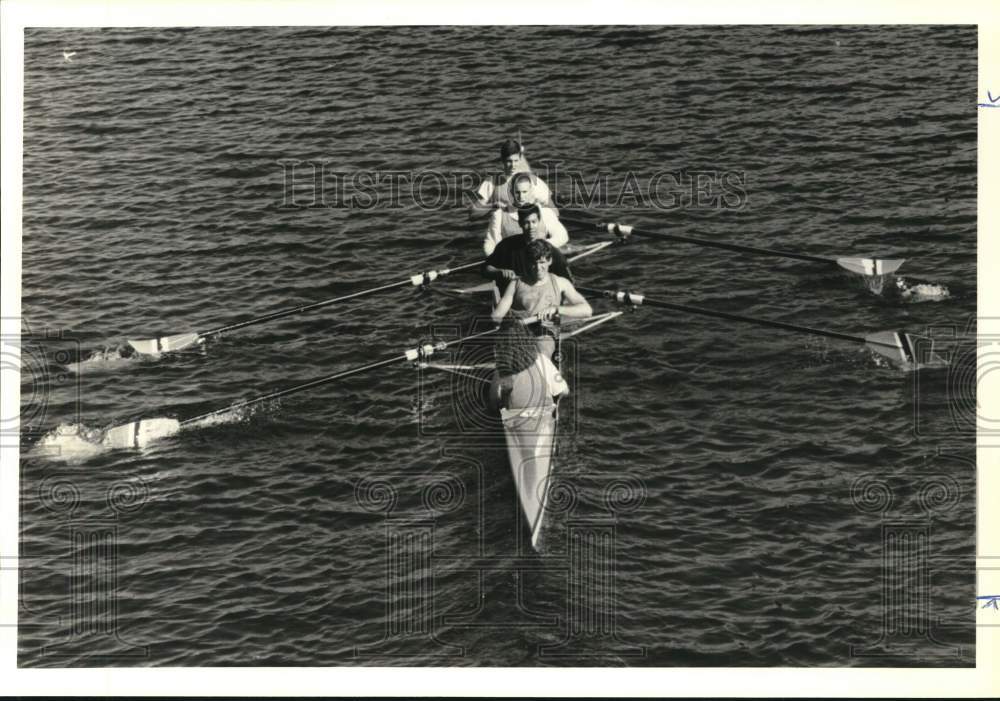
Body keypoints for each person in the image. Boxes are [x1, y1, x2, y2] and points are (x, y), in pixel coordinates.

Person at [491, 238, 592, 361]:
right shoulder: (515, 283)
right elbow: (496, 315)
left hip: (544, 334)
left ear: (549, 261)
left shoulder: (561, 283)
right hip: (519, 332)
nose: (538, 268)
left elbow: (587, 310)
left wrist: (557, 309)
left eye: (542, 262)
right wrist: (504, 322)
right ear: (528, 262)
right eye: (534, 263)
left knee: (541, 354)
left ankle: (539, 365)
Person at [482, 204, 573, 289]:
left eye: (534, 222)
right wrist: (499, 272)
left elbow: (568, 282)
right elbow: (485, 269)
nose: (531, 227)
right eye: (526, 223)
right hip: (512, 295)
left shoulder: (550, 250)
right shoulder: (506, 246)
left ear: (539, 221)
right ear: (520, 223)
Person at [482, 173, 568, 255]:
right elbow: (490, 245)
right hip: (512, 261)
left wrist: (538, 248)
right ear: (511, 192)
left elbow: (562, 236)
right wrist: (501, 259)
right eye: (517, 192)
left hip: (540, 259)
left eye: (524, 192)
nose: (521, 197)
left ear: (531, 191)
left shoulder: (545, 212)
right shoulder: (499, 215)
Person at [469, 139, 552, 219]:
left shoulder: (533, 181)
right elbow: (472, 214)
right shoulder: (492, 182)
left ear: (520, 159)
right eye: (509, 161)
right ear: (502, 160)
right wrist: (492, 205)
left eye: (516, 161)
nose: (513, 165)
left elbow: (553, 210)